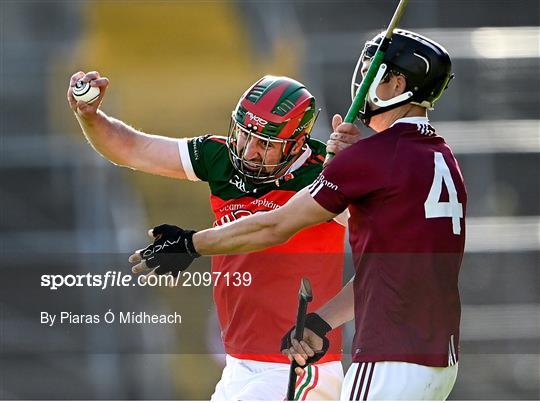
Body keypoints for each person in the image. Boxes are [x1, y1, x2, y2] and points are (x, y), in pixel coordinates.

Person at [131, 30, 467, 400]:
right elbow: (385, 272)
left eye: (374, 72)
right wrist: (320, 323)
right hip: (439, 358)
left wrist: (190, 243)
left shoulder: (373, 159)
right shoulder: (442, 159)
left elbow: (275, 225)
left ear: (399, 82)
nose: (363, 81)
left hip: (388, 356)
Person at [67, 73, 357, 400]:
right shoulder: (219, 157)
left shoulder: (328, 175)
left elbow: (384, 247)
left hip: (297, 365)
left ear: (298, 143)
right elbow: (134, 149)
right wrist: (89, 117)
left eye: (266, 144)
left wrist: (363, 164)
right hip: (240, 363)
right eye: (245, 136)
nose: (249, 152)